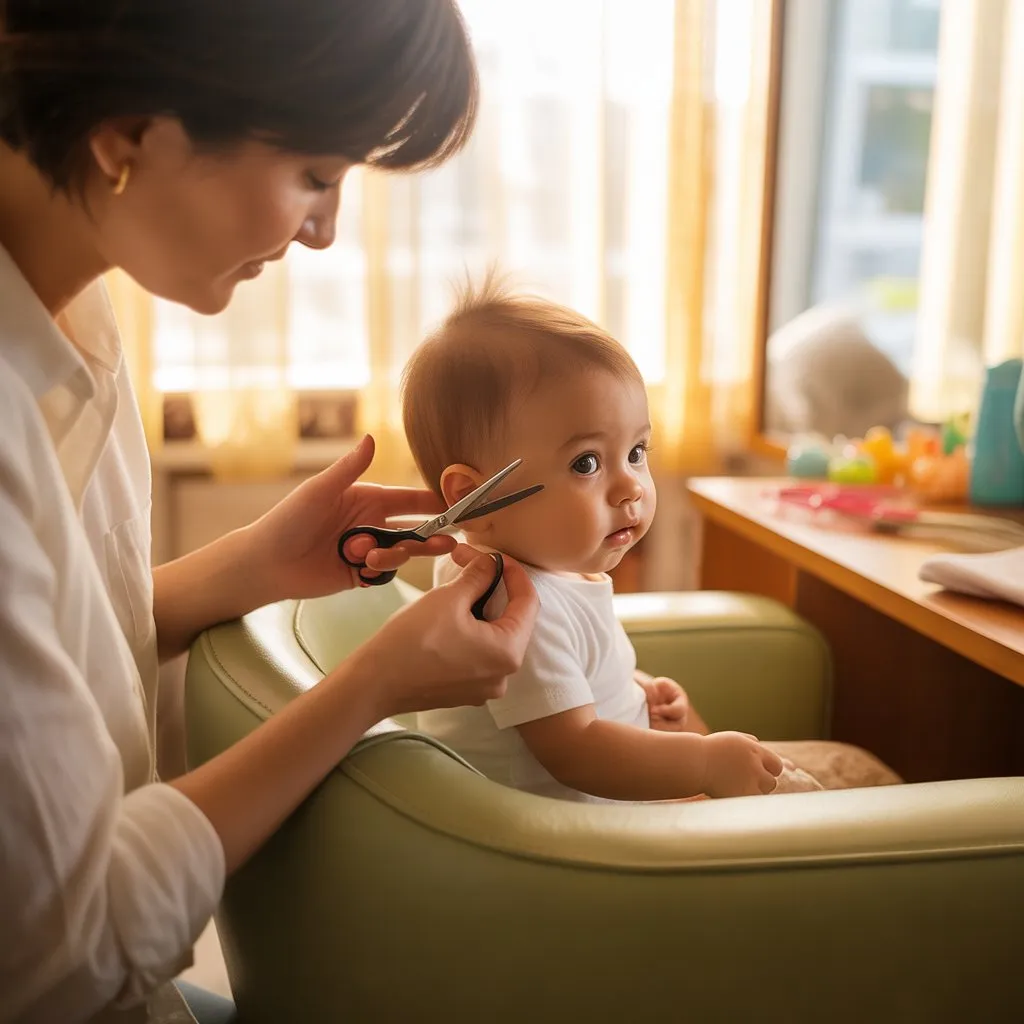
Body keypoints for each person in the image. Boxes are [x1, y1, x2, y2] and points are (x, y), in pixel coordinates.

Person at [0, 3, 540, 1022]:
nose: (326, 231)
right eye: (314, 176)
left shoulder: (75, 306)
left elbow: (42, 673)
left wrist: (252, 564)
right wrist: (371, 682)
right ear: (125, 133)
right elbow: (64, 952)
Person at [403, 279, 824, 803]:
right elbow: (575, 749)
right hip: (581, 846)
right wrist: (705, 763)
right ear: (475, 499)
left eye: (637, 451)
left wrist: (633, 688)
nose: (630, 487)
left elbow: (563, 690)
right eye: (587, 463)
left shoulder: (533, 568)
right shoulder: (509, 603)